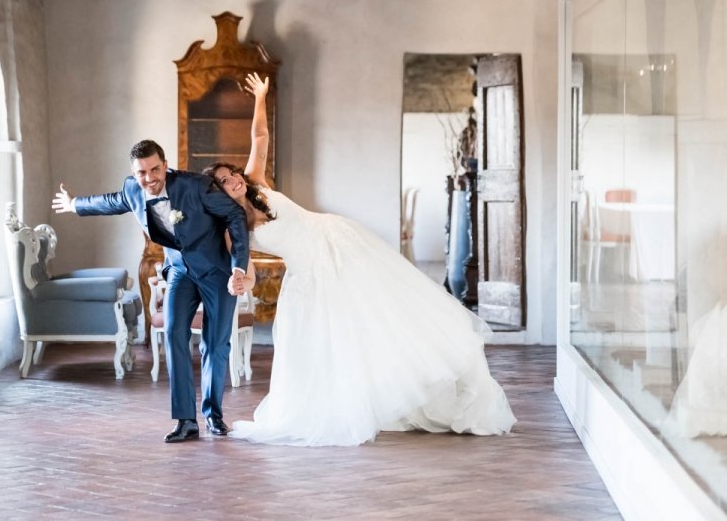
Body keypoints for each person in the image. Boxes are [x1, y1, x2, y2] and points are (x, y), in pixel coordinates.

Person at [202, 73, 517, 447]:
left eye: (232, 173)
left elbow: (259, 139)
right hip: (309, 274)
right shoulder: (230, 229)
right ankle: (354, 403)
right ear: (216, 194)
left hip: (339, 242)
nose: (234, 179)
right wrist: (242, 282)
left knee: (383, 314)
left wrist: (259, 97)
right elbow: (249, 272)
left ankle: (423, 387)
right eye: (224, 180)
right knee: (336, 338)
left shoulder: (256, 184)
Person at [53, 140, 250, 443]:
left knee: (215, 343)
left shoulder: (196, 187)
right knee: (172, 335)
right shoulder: (133, 189)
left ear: (165, 165)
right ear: (134, 172)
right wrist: (74, 204)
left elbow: (234, 216)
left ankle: (213, 414)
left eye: (155, 169)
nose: (149, 178)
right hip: (180, 273)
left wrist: (238, 266)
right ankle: (186, 420)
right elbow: (111, 201)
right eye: (141, 172)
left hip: (216, 272)